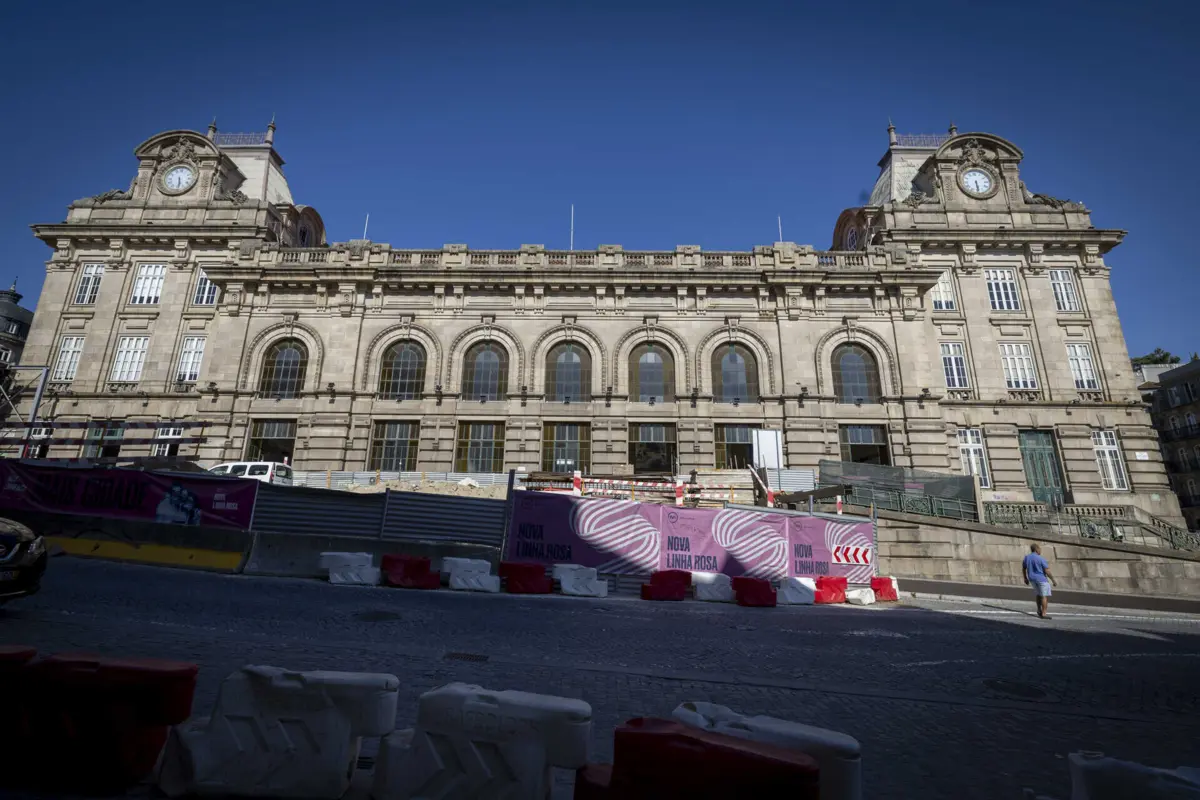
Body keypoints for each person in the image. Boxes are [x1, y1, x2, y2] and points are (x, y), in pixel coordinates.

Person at [1022, 543, 1056, 619]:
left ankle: (1038, 609)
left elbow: (1024, 568)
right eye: (1040, 549)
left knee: (1038, 594)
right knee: (1044, 596)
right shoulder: (1040, 558)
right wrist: (1053, 580)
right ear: (1037, 549)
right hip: (1041, 579)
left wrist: (1025, 578)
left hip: (1032, 579)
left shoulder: (1027, 558)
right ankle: (1043, 613)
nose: (1040, 551)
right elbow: (1047, 571)